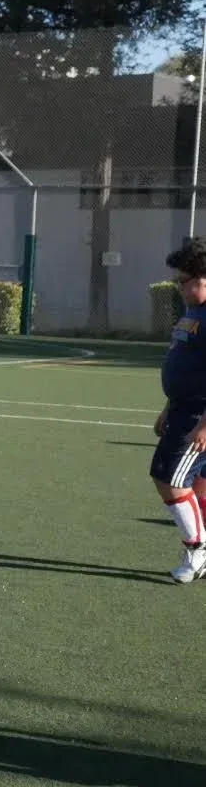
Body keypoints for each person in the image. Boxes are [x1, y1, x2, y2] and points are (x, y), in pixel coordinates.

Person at [151, 236, 206, 582]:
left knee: (169, 479)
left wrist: (205, 424)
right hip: (183, 409)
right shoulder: (193, 312)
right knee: (197, 485)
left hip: (198, 416)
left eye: (183, 281)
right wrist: (168, 406)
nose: (179, 287)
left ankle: (198, 550)